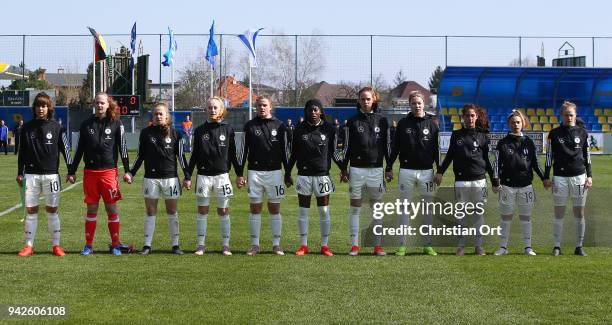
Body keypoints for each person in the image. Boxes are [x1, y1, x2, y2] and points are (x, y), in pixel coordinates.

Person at [68, 92, 130, 256]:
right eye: (97, 103)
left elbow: (123, 148)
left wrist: (127, 170)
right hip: (90, 173)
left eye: (102, 103)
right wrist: (72, 170)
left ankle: (116, 245)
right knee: (92, 209)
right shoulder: (86, 124)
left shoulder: (117, 124)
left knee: (111, 209)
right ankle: (88, 245)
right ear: (94, 105)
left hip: (109, 173)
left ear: (108, 104)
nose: (100, 105)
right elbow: (79, 149)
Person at [127, 102, 190, 255]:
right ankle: (147, 245)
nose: (158, 116)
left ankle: (175, 245)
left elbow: (181, 157)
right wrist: (131, 173)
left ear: (167, 115)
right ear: (152, 116)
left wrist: (187, 176)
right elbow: (140, 156)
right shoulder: (146, 133)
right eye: (155, 114)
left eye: (161, 113)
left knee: (172, 211)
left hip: (171, 179)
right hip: (151, 178)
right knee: (150, 211)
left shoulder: (176, 134)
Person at [16, 93, 72, 256]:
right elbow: (22, 152)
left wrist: (71, 170)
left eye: (44, 106)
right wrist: (20, 173)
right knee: (31, 211)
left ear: (49, 108)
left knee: (52, 211)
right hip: (31, 176)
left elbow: (66, 150)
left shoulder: (57, 127)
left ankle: (56, 246)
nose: (41, 109)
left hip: (51, 176)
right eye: (38, 106)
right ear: (34, 108)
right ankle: (28, 246)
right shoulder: (26, 127)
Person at [435, 104, 495, 256]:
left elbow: (488, 160)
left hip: (479, 180)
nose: (470, 118)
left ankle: (479, 246)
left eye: (472, 115)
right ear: (463, 117)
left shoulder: (483, 135)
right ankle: (461, 245)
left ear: (476, 117)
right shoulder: (456, 135)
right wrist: (440, 171)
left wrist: (494, 180)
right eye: (467, 115)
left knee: (478, 214)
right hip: (461, 180)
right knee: (460, 214)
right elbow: (449, 156)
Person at [285, 99, 342, 256]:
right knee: (303, 211)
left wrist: (343, 169)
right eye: (310, 110)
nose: (313, 112)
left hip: (322, 175)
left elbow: (334, 153)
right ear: (306, 111)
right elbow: (293, 153)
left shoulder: (329, 129)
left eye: (316, 110)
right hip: (303, 176)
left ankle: (325, 245)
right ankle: (303, 245)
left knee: (324, 211)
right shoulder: (299, 129)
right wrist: (288, 172)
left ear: (321, 111)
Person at [339, 87, 391, 256]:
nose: (365, 101)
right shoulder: (352, 122)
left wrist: (388, 167)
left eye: (368, 99)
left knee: (376, 208)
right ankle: (354, 246)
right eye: (362, 99)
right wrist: (343, 169)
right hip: (356, 170)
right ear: (359, 101)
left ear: (374, 100)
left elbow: (387, 147)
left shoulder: (382, 121)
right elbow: (346, 148)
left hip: (376, 170)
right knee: (355, 207)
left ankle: (377, 246)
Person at [236, 95, 290, 256]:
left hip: (275, 172)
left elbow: (286, 152)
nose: (262, 108)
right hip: (254, 173)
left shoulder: (280, 126)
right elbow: (242, 152)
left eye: (265, 105)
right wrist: (240, 173)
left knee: (274, 208)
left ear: (270, 107)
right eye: (259, 105)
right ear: (256, 107)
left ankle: (276, 244)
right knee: (255, 208)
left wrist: (287, 173)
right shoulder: (249, 126)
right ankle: (254, 245)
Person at [388, 91, 439, 256]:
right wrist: (389, 167)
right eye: (413, 103)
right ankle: (402, 245)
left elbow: (437, 151)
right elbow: (395, 148)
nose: (417, 106)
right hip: (406, 172)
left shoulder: (432, 124)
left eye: (419, 103)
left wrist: (440, 170)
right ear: (409, 105)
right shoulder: (403, 124)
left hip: (427, 172)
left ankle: (427, 245)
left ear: (424, 104)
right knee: (404, 209)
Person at [189, 97, 239, 256]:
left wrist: (239, 174)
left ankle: (226, 245)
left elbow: (233, 154)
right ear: (206, 110)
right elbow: (194, 155)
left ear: (221, 110)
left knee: (223, 210)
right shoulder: (199, 131)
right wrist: (188, 176)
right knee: (202, 210)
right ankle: (200, 245)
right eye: (209, 108)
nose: (212, 110)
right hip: (203, 176)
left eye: (215, 108)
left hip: (222, 176)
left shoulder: (228, 129)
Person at [492, 110, 545, 256]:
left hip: (526, 186)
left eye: (518, 122)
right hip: (507, 186)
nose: (516, 125)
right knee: (506, 217)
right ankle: (503, 247)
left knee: (526, 218)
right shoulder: (502, 143)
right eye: (513, 122)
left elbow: (535, 163)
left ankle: (528, 247)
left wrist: (544, 178)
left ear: (523, 123)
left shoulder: (529, 142)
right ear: (509, 124)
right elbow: (496, 163)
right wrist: (496, 182)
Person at [543, 101, 592, 256]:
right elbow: (549, 157)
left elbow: (587, 156)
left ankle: (579, 246)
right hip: (560, 178)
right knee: (559, 213)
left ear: (575, 115)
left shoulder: (583, 133)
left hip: (579, 177)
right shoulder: (554, 133)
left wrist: (589, 176)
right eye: (566, 114)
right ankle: (557, 246)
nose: (569, 117)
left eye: (572, 114)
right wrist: (546, 176)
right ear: (562, 115)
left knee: (579, 213)